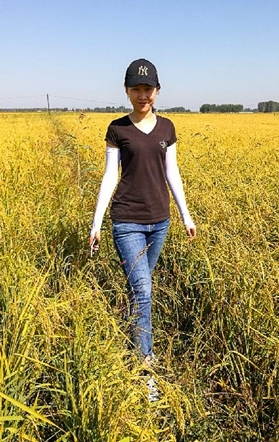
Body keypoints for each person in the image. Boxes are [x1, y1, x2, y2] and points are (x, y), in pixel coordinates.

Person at [89, 59, 196, 398]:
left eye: (147, 89)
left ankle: (130, 337)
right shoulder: (117, 129)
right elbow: (110, 176)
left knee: (139, 293)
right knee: (145, 291)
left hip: (160, 221)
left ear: (157, 91)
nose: (142, 94)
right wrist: (96, 223)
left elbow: (172, 173)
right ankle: (146, 368)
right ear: (126, 90)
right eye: (135, 88)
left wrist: (186, 214)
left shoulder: (167, 128)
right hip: (126, 221)